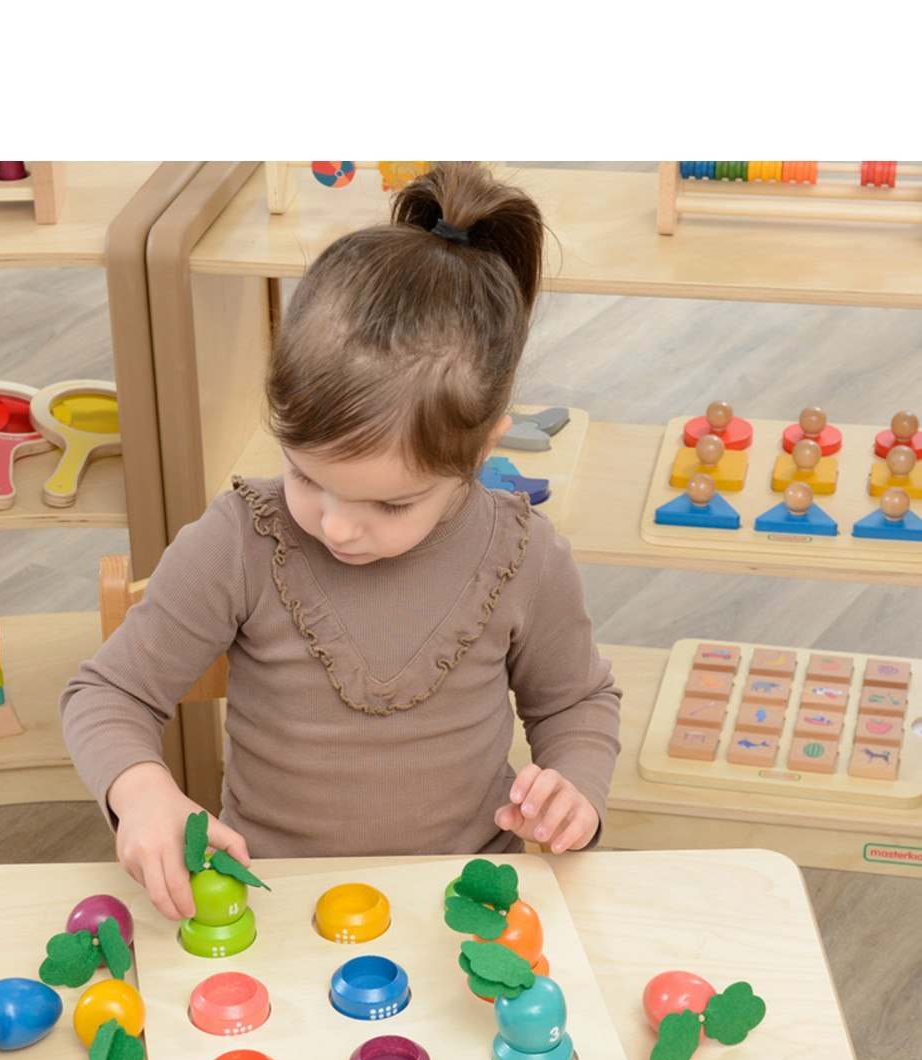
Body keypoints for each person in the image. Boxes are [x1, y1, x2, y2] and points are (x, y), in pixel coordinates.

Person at [61, 162, 621, 922]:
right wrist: (142, 791)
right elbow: (108, 693)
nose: (336, 525)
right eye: (305, 475)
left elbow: (578, 703)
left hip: (460, 905)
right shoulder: (239, 541)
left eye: (390, 503)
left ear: (483, 448)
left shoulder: (525, 555)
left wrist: (575, 789)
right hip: (275, 906)